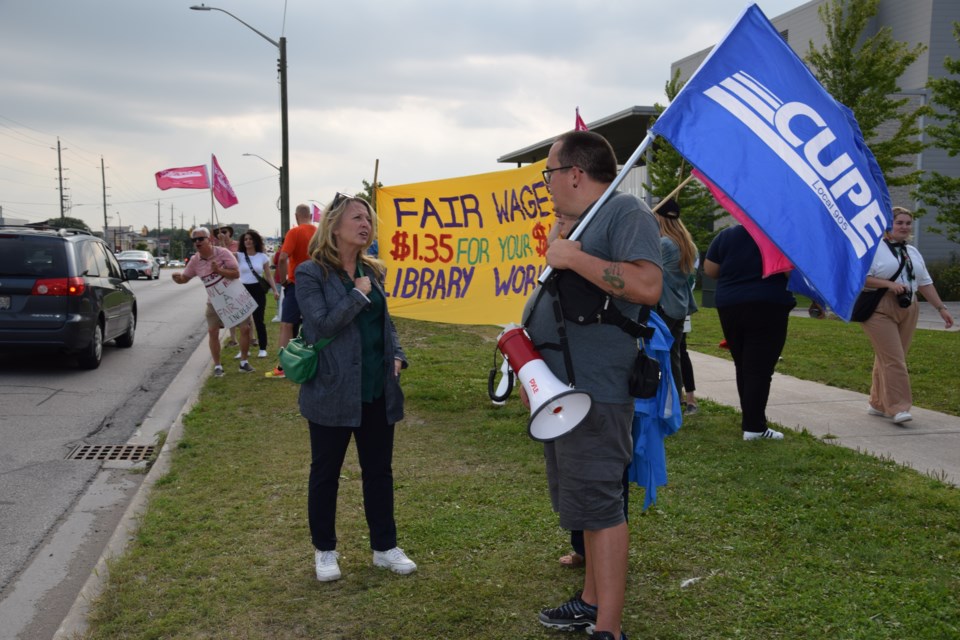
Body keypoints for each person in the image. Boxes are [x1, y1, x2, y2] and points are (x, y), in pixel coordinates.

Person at [526, 130, 662, 640]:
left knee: (602, 509)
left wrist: (571, 256)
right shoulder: (584, 219)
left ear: (575, 174)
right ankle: (589, 601)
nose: (548, 183)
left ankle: (609, 628)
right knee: (582, 504)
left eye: (550, 172)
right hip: (563, 392)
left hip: (597, 392)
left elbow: (647, 285)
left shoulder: (627, 213)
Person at [295, 193, 415, 582]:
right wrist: (357, 294)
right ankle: (325, 551)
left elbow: (385, 324)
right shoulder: (312, 273)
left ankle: (384, 547)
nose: (366, 224)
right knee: (325, 473)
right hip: (332, 390)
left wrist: (397, 355)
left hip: (377, 388)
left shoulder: (372, 270)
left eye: (368, 219)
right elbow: (320, 325)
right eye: (357, 218)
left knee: (379, 471)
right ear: (334, 225)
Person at [861, 207, 954, 424]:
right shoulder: (874, 249)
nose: (904, 227)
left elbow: (924, 283)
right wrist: (888, 284)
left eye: (908, 223)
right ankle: (899, 408)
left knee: (889, 357)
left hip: (909, 307)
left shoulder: (912, 252)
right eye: (899, 222)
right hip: (880, 307)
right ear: (888, 225)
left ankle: (877, 403)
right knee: (895, 359)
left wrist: (941, 308)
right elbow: (861, 279)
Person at [704, 224, 795, 440]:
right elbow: (791, 273)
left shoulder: (726, 235)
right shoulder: (779, 235)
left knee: (743, 364)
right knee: (760, 368)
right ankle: (754, 427)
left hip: (730, 304)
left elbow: (710, 270)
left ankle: (750, 419)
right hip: (768, 304)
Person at [171, 227, 254, 376]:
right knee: (212, 331)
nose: (197, 242)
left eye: (200, 239)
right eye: (194, 240)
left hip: (234, 296)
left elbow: (236, 273)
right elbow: (185, 278)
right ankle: (217, 366)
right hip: (214, 300)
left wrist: (219, 271)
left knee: (245, 329)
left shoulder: (223, 253)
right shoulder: (195, 260)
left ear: (209, 240)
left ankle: (244, 362)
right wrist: (178, 279)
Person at [653, 199, 699, 411]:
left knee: (656, 355)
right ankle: (675, 403)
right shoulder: (688, 245)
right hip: (679, 308)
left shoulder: (664, 245)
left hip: (664, 307)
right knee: (674, 356)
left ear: (660, 218)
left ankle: (662, 402)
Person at [267, 205, 317, 379]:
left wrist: (285, 278)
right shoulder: (319, 233)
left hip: (297, 283)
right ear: (310, 215)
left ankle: (283, 367)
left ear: (296, 216)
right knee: (313, 323)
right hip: (316, 285)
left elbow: (282, 257)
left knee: (287, 324)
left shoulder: (295, 232)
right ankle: (313, 360)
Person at [237, 229, 280, 358]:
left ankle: (262, 348)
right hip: (243, 289)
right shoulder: (238, 255)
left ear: (255, 241)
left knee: (258, 319)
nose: (248, 241)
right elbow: (223, 254)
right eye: (245, 239)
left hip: (258, 290)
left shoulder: (262, 257)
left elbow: (268, 275)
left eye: (250, 239)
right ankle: (244, 350)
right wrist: (222, 241)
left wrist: (275, 290)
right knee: (244, 322)